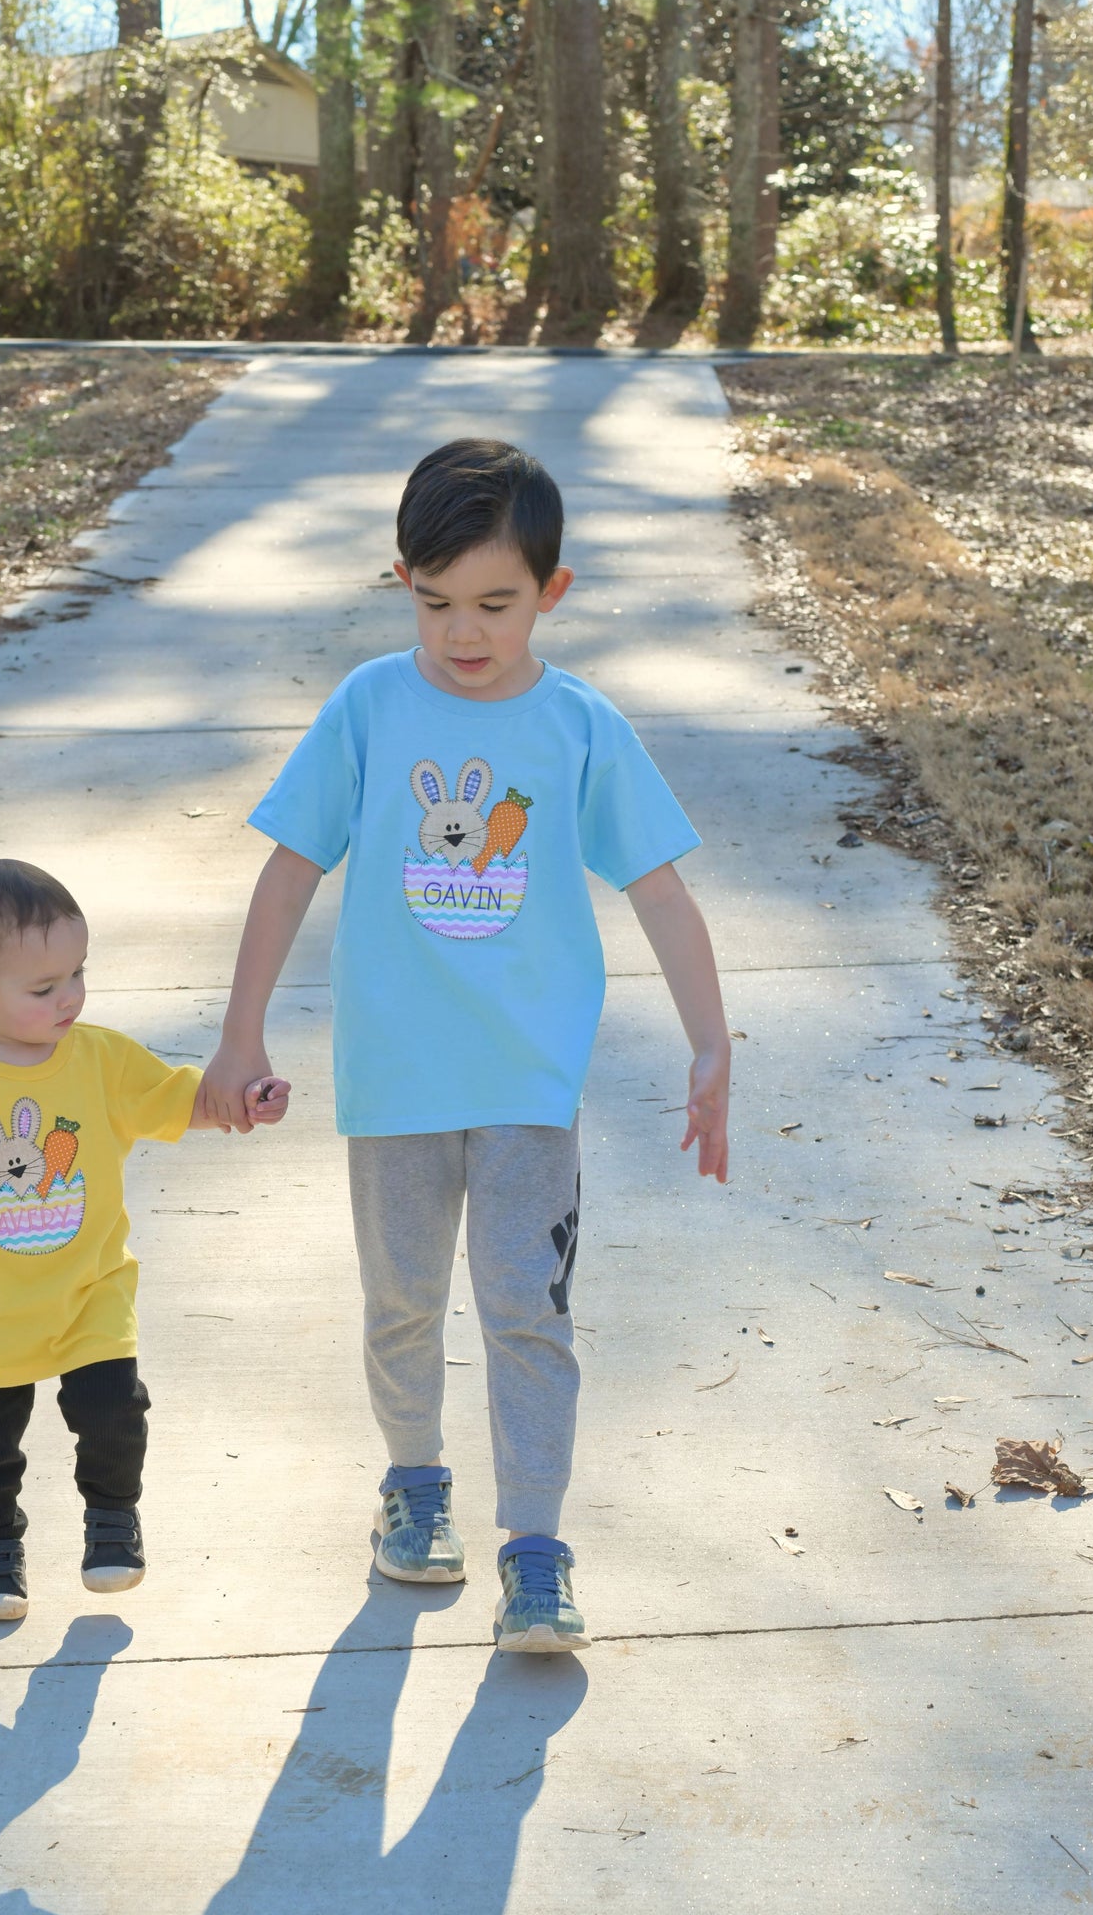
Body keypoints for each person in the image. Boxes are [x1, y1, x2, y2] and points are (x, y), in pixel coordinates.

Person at [200, 439, 730, 1654]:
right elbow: (288, 871)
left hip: (526, 1084)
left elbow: (659, 891)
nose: (462, 631)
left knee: (523, 1313)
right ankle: (414, 1484)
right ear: (401, 581)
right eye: (434, 601)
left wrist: (710, 1044)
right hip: (392, 1080)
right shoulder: (369, 709)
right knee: (399, 1306)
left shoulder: (577, 725)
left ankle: (535, 1554)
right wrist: (241, 1033)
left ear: (553, 590)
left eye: (493, 602)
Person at [0, 859, 288, 1622]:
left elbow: (178, 1102)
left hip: (92, 1289)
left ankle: (112, 1521)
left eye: (77, 974)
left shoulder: (99, 1058)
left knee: (114, 1411)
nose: (70, 997)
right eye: (43, 988)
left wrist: (241, 1103)